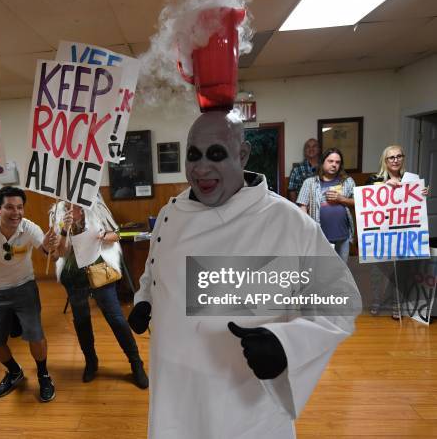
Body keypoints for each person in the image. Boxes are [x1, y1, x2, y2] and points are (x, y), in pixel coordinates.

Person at [127, 111, 360, 439]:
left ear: (243, 154)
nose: (202, 167)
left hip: (242, 400)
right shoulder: (170, 213)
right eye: (193, 155)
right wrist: (145, 300)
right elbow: (156, 268)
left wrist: (286, 345)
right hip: (175, 390)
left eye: (216, 154)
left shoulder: (288, 222)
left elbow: (339, 301)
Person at [0, 186, 58, 401]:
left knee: (35, 334)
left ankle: (43, 374)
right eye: (9, 207)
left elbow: (48, 252)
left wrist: (50, 246)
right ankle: (14, 371)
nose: (16, 212)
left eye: (20, 207)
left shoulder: (29, 228)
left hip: (24, 286)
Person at [50, 196, 148, 388]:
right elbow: (58, 253)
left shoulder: (95, 205)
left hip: (99, 269)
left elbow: (116, 235)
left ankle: (136, 363)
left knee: (116, 318)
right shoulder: (57, 212)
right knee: (81, 320)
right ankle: (91, 362)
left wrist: (103, 236)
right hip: (74, 274)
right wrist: (63, 230)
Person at [366, 145, 429, 318]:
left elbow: (415, 207)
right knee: (377, 270)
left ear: (403, 158)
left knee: (399, 270)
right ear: (385, 161)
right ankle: (377, 300)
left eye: (398, 156)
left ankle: (396, 303)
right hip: (380, 232)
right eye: (391, 157)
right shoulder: (374, 179)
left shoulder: (411, 180)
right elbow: (365, 199)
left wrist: (421, 194)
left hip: (403, 233)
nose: (395, 160)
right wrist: (384, 187)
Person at [296, 148, 356, 263]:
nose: (334, 165)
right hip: (319, 237)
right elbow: (302, 207)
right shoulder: (309, 183)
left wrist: (341, 199)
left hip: (343, 237)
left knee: (342, 272)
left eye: (337, 162)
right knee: (321, 272)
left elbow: (359, 203)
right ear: (323, 162)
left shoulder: (348, 181)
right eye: (330, 161)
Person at [288, 138, 320, 202]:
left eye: (314, 146)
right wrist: (297, 209)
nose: (311, 149)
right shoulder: (296, 169)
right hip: (303, 206)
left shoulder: (325, 167)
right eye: (308, 147)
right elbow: (292, 190)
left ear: (319, 149)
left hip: (322, 207)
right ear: (305, 151)